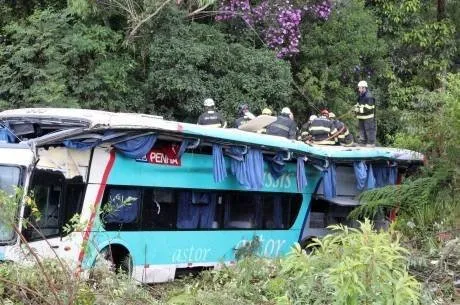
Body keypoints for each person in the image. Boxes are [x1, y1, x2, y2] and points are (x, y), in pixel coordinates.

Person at [354, 80, 376, 146]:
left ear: (364, 88)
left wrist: (358, 110)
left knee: (369, 130)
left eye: (360, 88)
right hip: (361, 117)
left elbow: (368, 108)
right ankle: (362, 142)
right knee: (361, 130)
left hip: (368, 117)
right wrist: (355, 109)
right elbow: (358, 104)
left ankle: (371, 143)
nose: (358, 89)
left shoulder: (369, 97)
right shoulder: (360, 96)